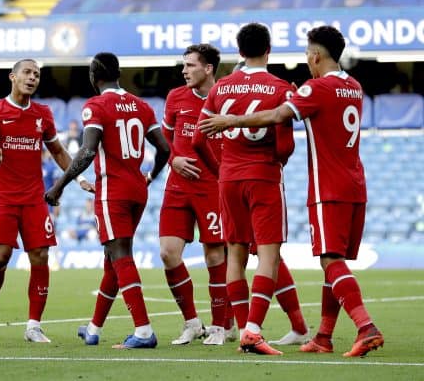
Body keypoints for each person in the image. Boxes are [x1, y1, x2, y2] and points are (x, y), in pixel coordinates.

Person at [198, 25, 384, 358]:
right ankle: (323, 336)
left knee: (329, 261)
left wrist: (231, 122)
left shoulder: (315, 88)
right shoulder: (353, 86)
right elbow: (296, 130)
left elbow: (277, 115)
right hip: (355, 184)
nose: (306, 60)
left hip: (327, 187)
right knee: (333, 260)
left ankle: (365, 326)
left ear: (315, 55)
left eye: (306, 54)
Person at [45, 52, 171, 349]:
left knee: (120, 256)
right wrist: (150, 176)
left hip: (112, 190)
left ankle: (143, 331)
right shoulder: (141, 106)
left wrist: (60, 185)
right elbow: (164, 148)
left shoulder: (96, 106)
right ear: (120, 74)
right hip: (138, 189)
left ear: (93, 78)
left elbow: (88, 151)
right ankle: (93, 329)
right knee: (113, 261)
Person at [193, 23, 305, 355]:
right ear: (268, 50)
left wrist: (221, 170)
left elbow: (198, 139)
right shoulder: (281, 88)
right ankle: (253, 331)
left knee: (235, 255)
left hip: (228, 179)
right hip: (264, 177)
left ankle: (243, 328)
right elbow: (285, 148)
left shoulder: (221, 88)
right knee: (268, 256)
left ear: (239, 52)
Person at [0, 58, 94, 343]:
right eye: (27, 73)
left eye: (37, 74)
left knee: (41, 256)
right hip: (3, 197)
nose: (32, 78)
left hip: (33, 198)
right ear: (12, 77)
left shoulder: (42, 114)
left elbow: (57, 151)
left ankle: (33, 325)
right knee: (0, 257)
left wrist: (78, 179)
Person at [159, 43, 235, 346]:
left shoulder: (226, 98)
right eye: (184, 64)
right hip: (177, 187)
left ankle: (219, 327)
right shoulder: (175, 97)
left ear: (208, 69)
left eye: (190, 65)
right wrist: (172, 159)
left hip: (211, 188)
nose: (184, 70)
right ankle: (192, 322)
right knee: (167, 253)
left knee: (215, 255)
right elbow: (164, 139)